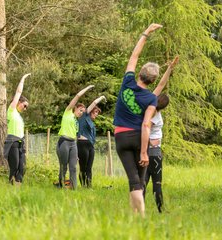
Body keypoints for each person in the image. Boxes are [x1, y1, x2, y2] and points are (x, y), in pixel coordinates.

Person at [113, 23, 163, 217]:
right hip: (139, 138)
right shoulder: (151, 98)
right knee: (138, 182)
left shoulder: (127, 83)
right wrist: (144, 151)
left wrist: (146, 33)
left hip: (120, 137)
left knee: (134, 182)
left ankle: (135, 218)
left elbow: (134, 56)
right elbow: (146, 124)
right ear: (152, 80)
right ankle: (142, 219)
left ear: (140, 73)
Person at [144, 56, 179, 213]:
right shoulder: (154, 116)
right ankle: (160, 209)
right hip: (154, 151)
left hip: (146, 151)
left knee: (144, 181)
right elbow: (147, 129)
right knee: (156, 183)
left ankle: (140, 210)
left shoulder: (149, 109)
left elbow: (160, 85)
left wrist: (170, 69)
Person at [56, 85, 94, 190]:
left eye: (83, 111)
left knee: (73, 167)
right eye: (80, 110)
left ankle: (74, 189)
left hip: (73, 144)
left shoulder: (77, 121)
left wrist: (76, 152)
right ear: (75, 108)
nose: (81, 113)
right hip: (64, 142)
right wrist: (87, 88)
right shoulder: (68, 112)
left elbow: (76, 136)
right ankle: (61, 186)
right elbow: (77, 96)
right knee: (64, 166)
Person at [3, 73, 31, 186]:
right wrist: (23, 79)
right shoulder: (11, 111)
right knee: (14, 167)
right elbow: (18, 92)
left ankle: (18, 187)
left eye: (27, 107)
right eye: (25, 105)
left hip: (20, 143)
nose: (25, 108)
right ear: (19, 102)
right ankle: (11, 186)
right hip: (12, 142)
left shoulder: (19, 116)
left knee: (22, 167)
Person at [77, 95, 106, 187]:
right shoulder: (84, 117)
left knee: (89, 168)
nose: (96, 114)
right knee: (83, 167)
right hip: (82, 144)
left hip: (90, 146)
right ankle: (83, 185)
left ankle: (89, 186)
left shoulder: (92, 123)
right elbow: (94, 103)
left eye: (97, 112)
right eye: (95, 112)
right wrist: (101, 98)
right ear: (90, 112)